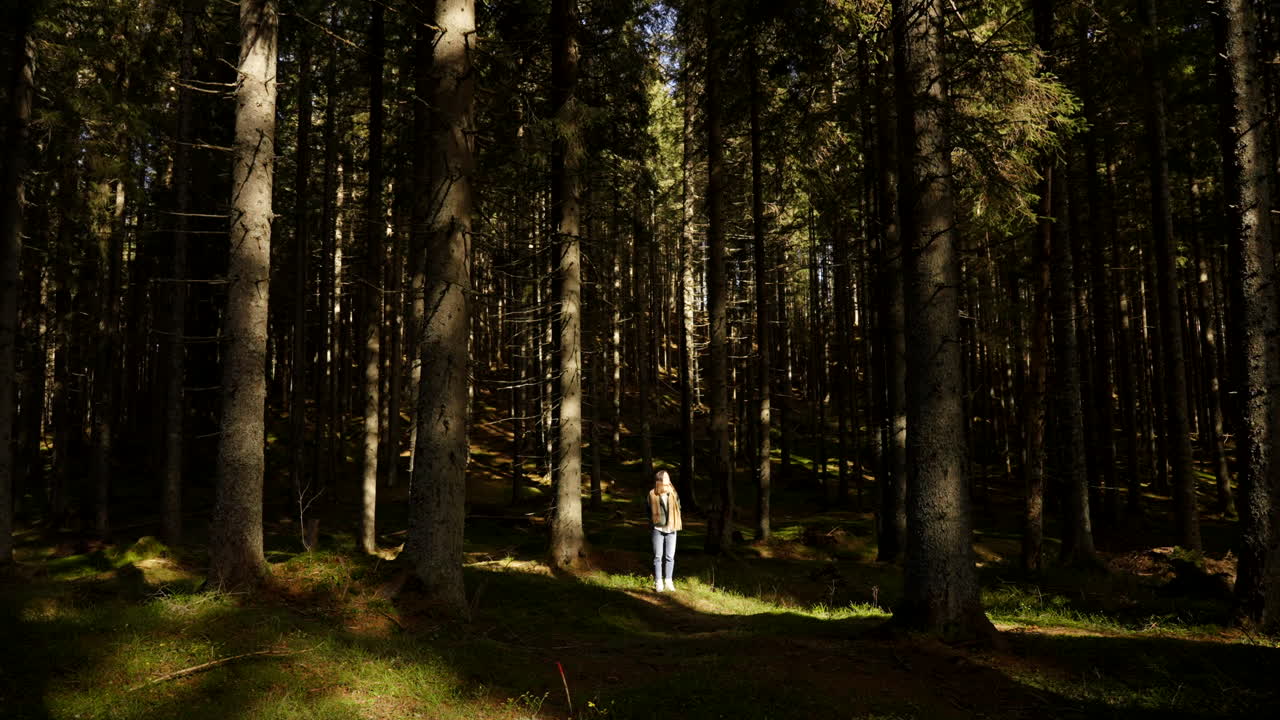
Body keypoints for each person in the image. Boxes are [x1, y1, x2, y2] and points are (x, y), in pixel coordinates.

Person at [648, 469, 682, 592]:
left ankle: (668, 581)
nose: (668, 480)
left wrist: (674, 520)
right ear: (659, 480)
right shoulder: (652, 494)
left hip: (672, 529)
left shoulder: (673, 493)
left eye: (668, 477)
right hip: (657, 528)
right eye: (665, 478)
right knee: (658, 557)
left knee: (670, 557)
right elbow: (648, 510)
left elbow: (679, 507)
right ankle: (658, 582)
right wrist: (652, 522)